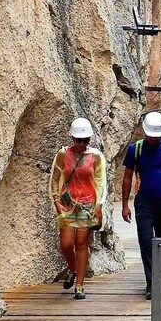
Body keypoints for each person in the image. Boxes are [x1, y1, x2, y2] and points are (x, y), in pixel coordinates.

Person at [121, 112, 161, 299]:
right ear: (145, 132)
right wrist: (125, 205)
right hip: (144, 203)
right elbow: (127, 177)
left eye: (157, 136)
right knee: (146, 241)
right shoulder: (136, 149)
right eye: (151, 136)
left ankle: (160, 276)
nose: (154, 139)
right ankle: (152, 284)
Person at [49, 118, 106, 300]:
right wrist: (56, 200)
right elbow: (55, 177)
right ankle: (73, 270)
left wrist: (99, 206)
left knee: (81, 243)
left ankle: (80, 285)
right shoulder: (63, 154)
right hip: (67, 203)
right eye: (78, 140)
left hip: (87, 204)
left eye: (85, 140)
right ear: (72, 139)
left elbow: (101, 181)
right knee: (66, 244)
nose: (81, 144)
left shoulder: (96, 156)